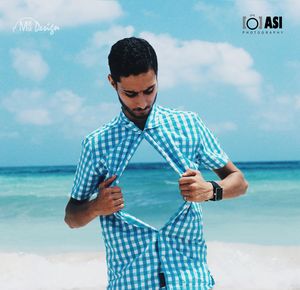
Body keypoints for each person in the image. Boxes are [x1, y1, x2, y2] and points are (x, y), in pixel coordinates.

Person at [64, 37, 248, 290]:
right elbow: (71, 217)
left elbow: (239, 182)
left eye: (149, 90)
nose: (141, 102)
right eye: (130, 93)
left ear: (157, 78)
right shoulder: (97, 144)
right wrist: (96, 206)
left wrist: (211, 190)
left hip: (190, 280)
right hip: (130, 283)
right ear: (112, 83)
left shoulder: (188, 125)